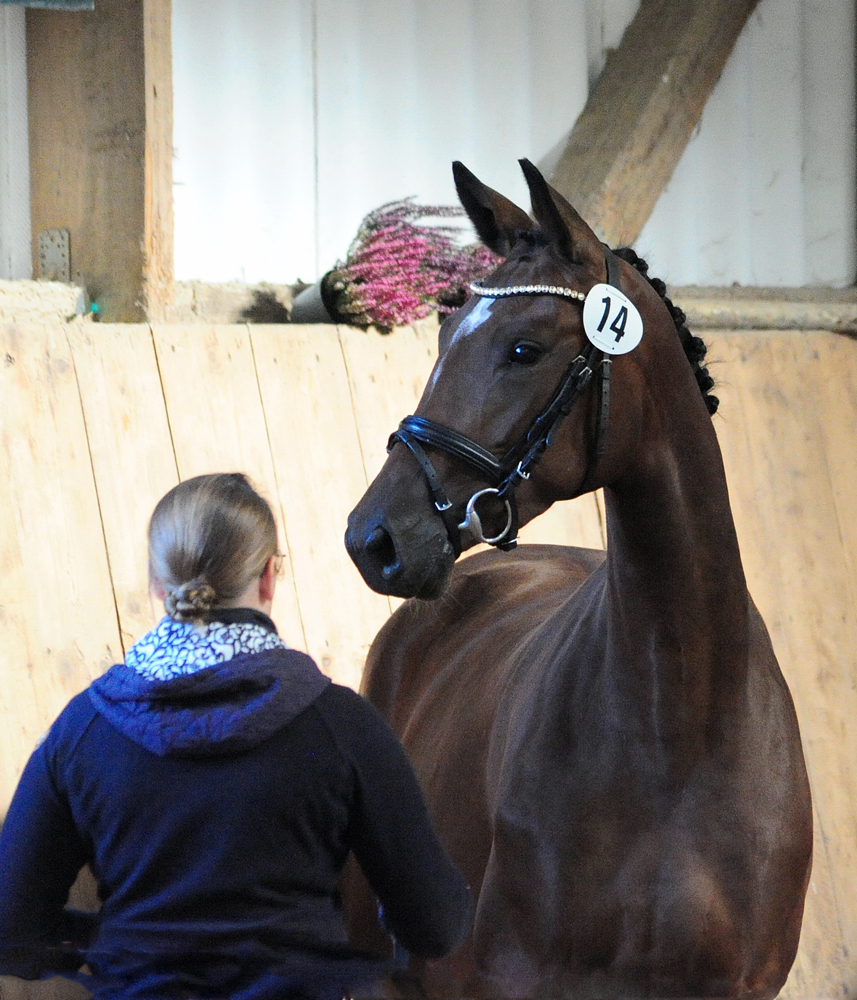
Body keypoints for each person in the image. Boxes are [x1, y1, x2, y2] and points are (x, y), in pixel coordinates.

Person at [0, 473, 473, 999]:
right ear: (269, 577)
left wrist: (122, 943)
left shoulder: (83, 733)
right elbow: (436, 926)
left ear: (158, 586)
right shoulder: (341, 725)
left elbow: (10, 933)